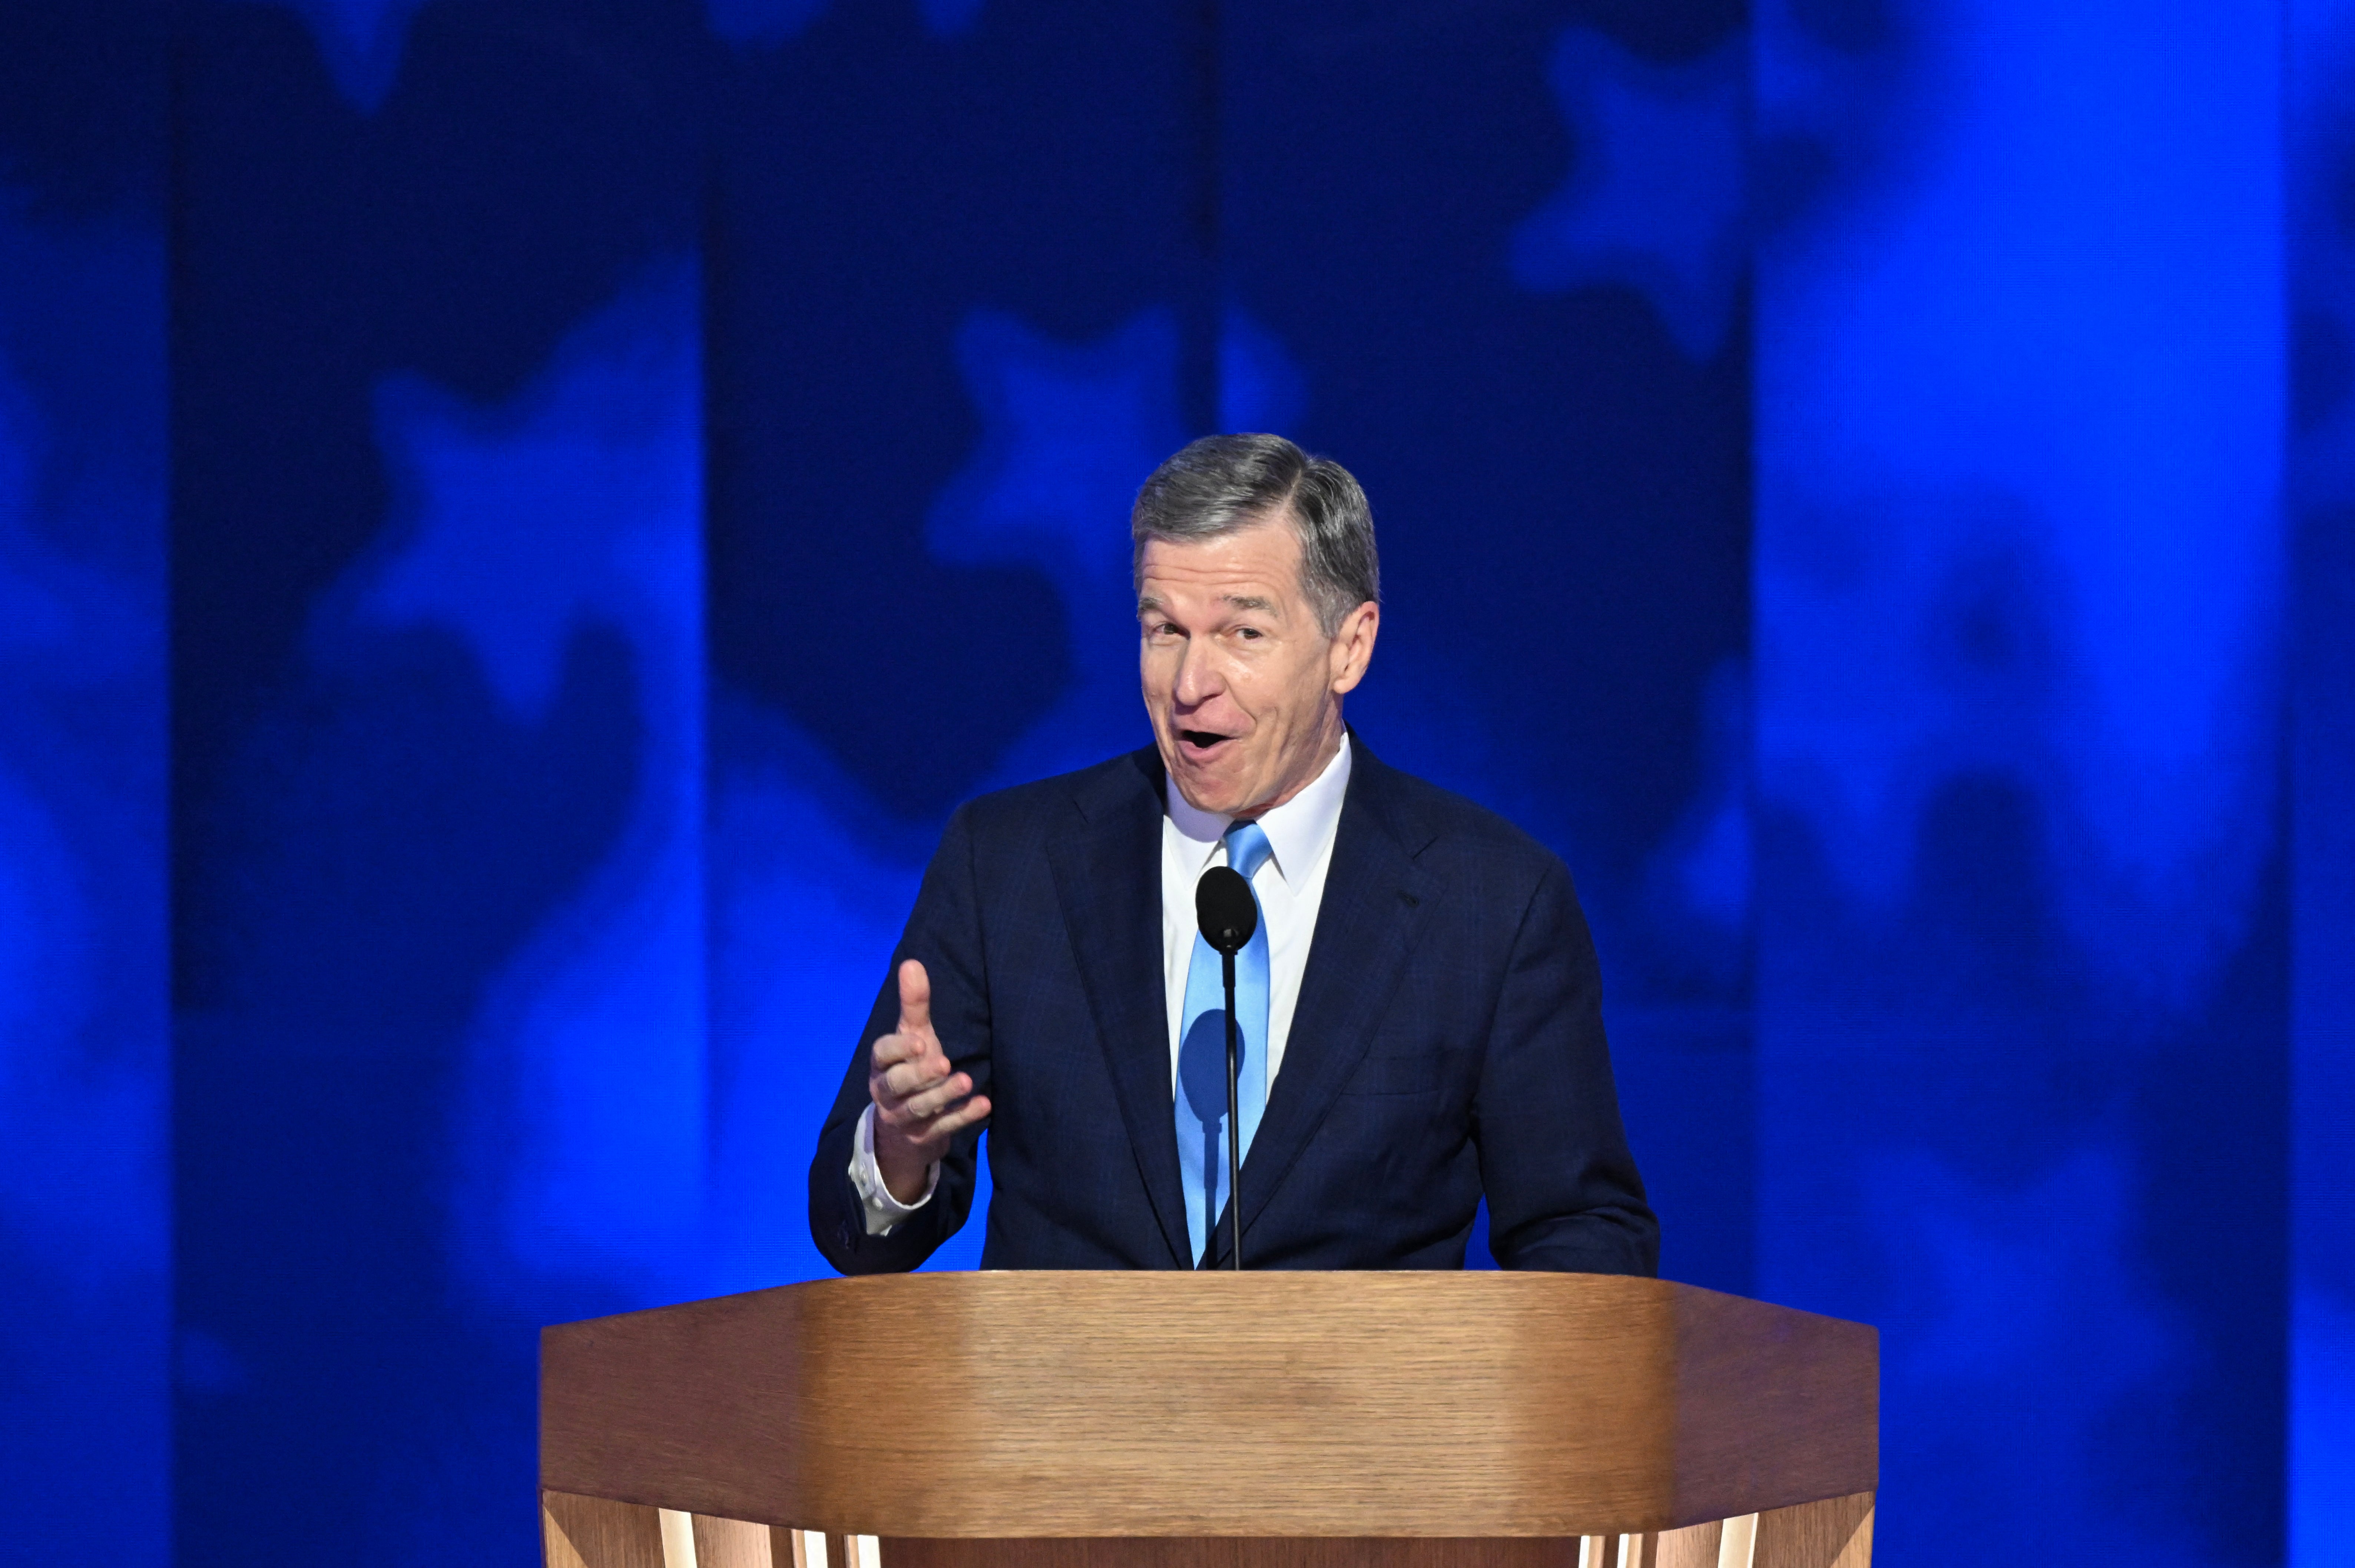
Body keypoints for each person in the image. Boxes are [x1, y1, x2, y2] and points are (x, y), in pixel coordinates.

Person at [809, 434, 1657, 1273]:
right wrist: (900, 1150)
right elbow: (856, 1235)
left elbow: (1583, 1233)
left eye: (1243, 633)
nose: (1190, 684)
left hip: (1353, 1371)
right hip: (1070, 1371)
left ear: (1350, 647)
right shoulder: (1006, 864)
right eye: (1164, 629)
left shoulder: (1492, 901)